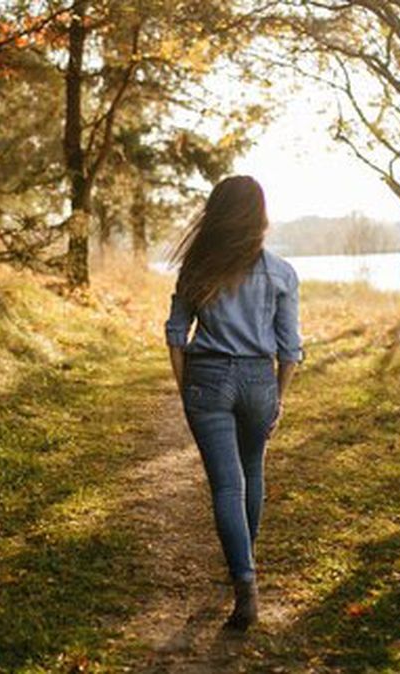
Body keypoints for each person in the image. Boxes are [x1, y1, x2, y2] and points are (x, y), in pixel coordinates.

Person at [164, 175, 303, 631]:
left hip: (207, 379)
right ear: (259, 216)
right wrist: (278, 396)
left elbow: (176, 335)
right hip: (259, 381)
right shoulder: (282, 273)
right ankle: (245, 566)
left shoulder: (196, 269)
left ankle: (245, 583)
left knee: (227, 486)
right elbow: (290, 349)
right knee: (252, 471)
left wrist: (186, 388)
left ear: (216, 215)